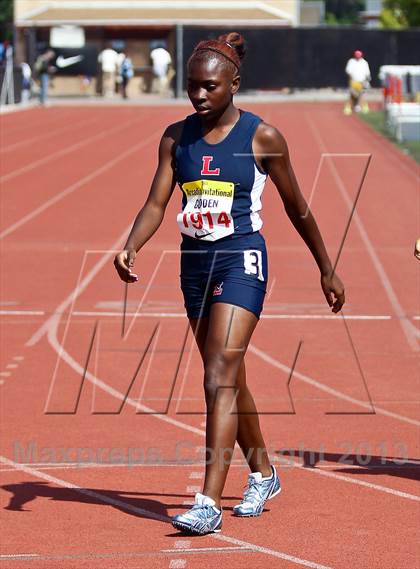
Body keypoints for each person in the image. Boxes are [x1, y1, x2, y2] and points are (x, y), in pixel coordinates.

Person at [114, 32, 345, 535]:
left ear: (234, 85)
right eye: (193, 86)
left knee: (218, 371)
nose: (199, 96)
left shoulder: (262, 138)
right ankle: (264, 473)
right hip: (193, 265)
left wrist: (326, 267)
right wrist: (132, 244)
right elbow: (157, 203)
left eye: (210, 87)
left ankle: (208, 501)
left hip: (241, 260)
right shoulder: (176, 139)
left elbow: (298, 208)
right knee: (229, 375)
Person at [344, 50, 371, 115]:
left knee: (361, 94)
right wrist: (350, 80)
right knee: (352, 94)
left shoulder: (364, 62)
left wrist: (367, 81)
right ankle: (349, 108)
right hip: (353, 81)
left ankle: (361, 107)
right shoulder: (351, 62)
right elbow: (348, 71)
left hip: (362, 81)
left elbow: (367, 73)